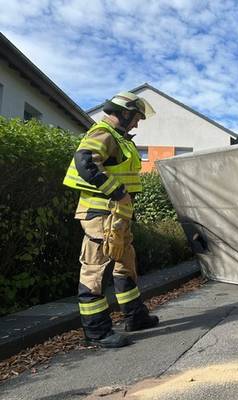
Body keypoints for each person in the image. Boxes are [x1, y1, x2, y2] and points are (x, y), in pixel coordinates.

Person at [63, 92, 159, 348]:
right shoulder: (103, 133)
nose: (137, 123)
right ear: (125, 113)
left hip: (116, 217)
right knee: (95, 270)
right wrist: (117, 192)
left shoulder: (119, 138)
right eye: (136, 118)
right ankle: (97, 331)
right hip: (100, 214)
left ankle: (135, 317)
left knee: (125, 265)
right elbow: (85, 162)